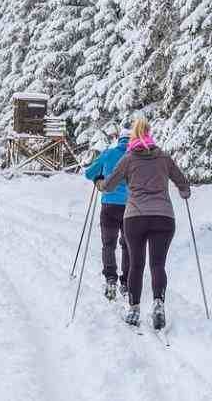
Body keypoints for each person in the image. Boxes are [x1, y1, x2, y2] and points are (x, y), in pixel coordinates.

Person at [97, 118, 190, 330]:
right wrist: (185, 192)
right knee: (157, 264)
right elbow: (182, 182)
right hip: (163, 217)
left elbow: (110, 185)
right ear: (149, 134)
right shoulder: (164, 158)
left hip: (135, 217)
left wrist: (99, 182)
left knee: (136, 265)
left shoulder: (128, 159)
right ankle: (158, 302)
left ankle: (134, 308)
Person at [85, 128, 131, 301]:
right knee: (128, 245)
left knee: (108, 244)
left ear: (119, 139)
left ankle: (111, 278)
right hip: (131, 207)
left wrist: (99, 177)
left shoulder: (109, 153)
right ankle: (126, 282)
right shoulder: (137, 156)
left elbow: (89, 173)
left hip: (109, 205)